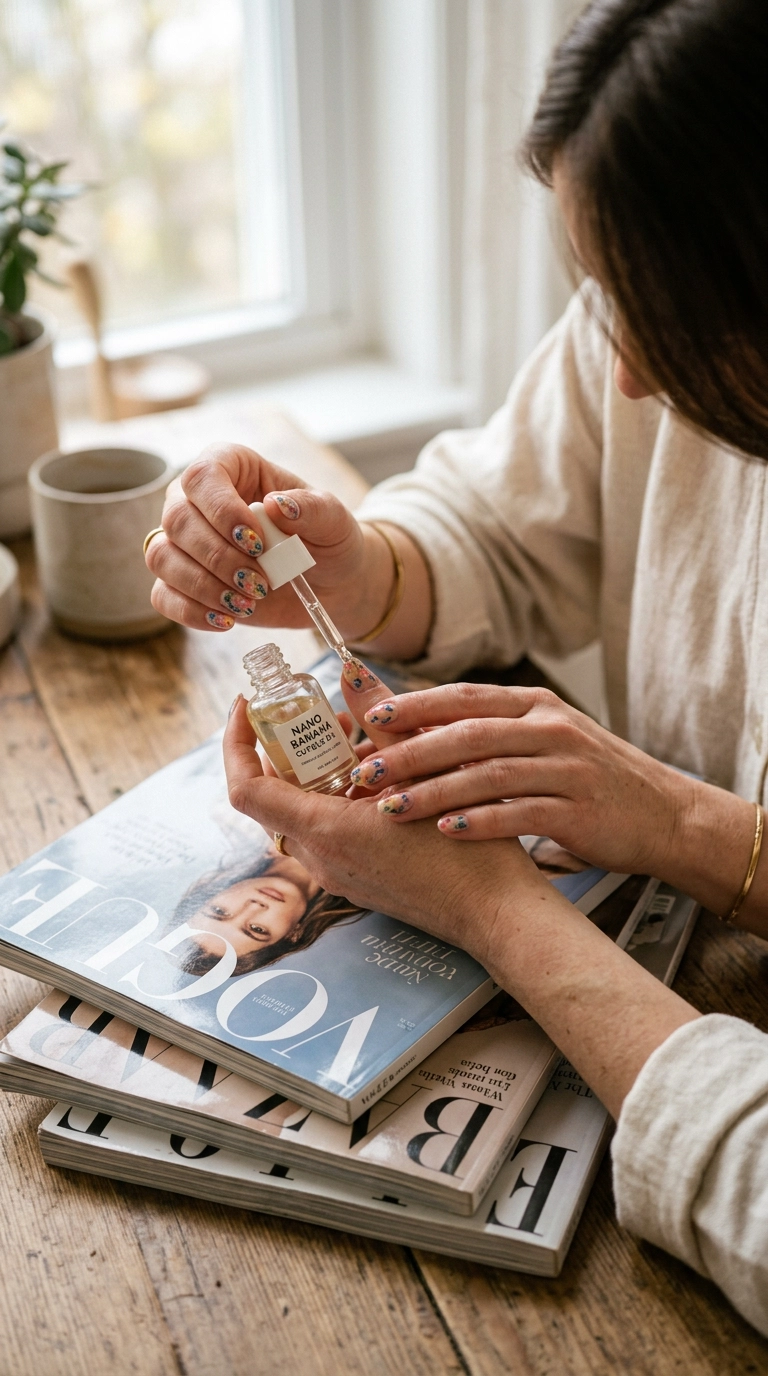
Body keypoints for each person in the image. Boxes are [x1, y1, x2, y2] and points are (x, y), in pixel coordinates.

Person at [143, 0, 768, 1335]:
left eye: (673, 316)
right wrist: (361, 564)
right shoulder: (643, 329)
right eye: (603, 296)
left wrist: (502, 912)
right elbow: (496, 517)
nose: (631, 375)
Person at [168, 844, 363, 976]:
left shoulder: (236, 817)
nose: (254, 907)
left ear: (213, 890)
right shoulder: (368, 887)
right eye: (257, 929)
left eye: (219, 911)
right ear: (293, 934)